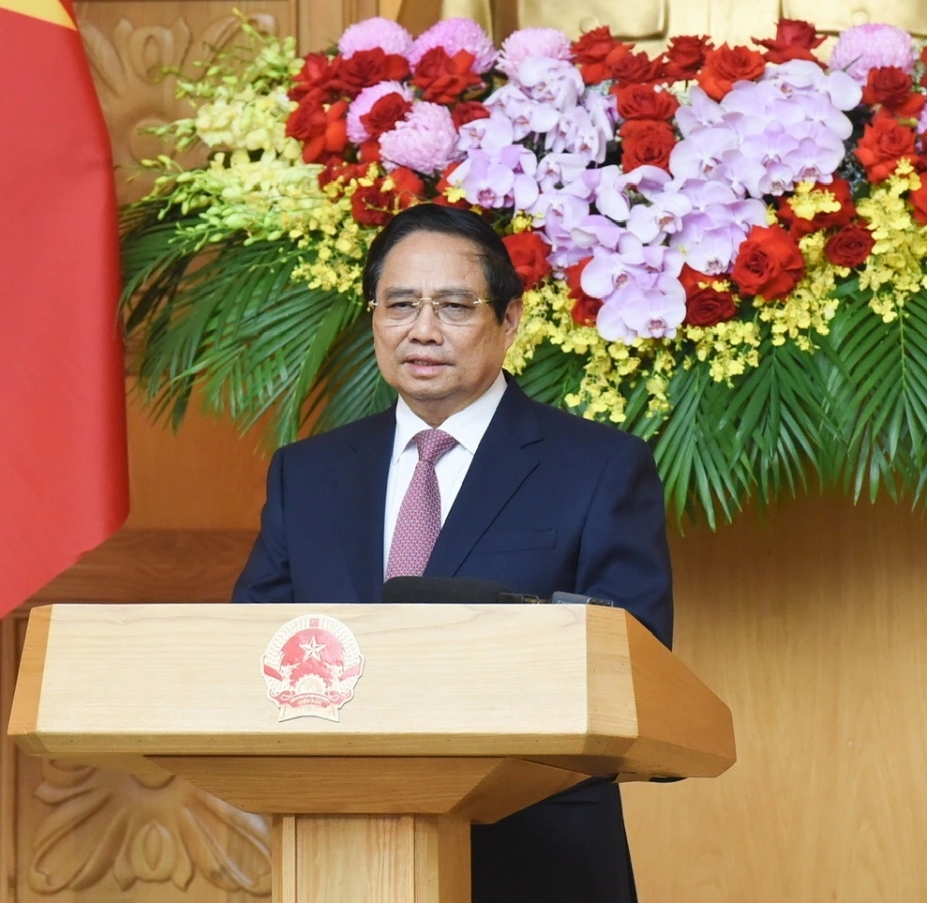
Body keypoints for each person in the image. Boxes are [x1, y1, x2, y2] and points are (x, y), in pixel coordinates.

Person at [233, 203, 673, 903]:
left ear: (510, 319)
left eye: (454, 306)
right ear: (374, 318)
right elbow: (251, 650)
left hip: (539, 861)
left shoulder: (598, 467)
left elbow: (633, 665)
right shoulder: (306, 474)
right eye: (400, 304)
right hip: (346, 853)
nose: (423, 330)